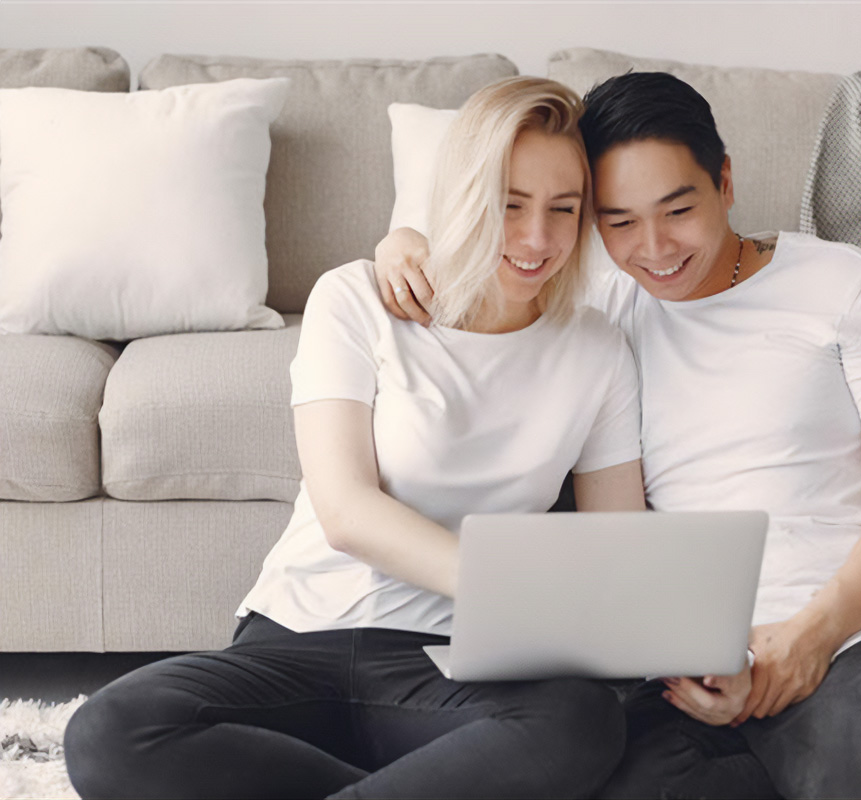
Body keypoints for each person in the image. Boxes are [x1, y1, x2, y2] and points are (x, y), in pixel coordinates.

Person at [373, 71, 861, 799]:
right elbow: (489, 252)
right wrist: (402, 240)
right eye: (618, 221)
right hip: (683, 656)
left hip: (842, 633)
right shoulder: (598, 309)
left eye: (678, 209)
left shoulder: (849, 287)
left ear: (726, 181)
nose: (654, 248)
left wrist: (811, 637)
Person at [63, 76, 647, 800]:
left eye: (564, 209)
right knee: (110, 730)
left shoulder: (597, 349)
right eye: (510, 204)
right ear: (463, 197)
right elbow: (347, 513)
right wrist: (518, 591)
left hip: (454, 666)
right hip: (299, 637)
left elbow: (623, 542)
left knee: (582, 723)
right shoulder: (358, 298)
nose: (537, 239)